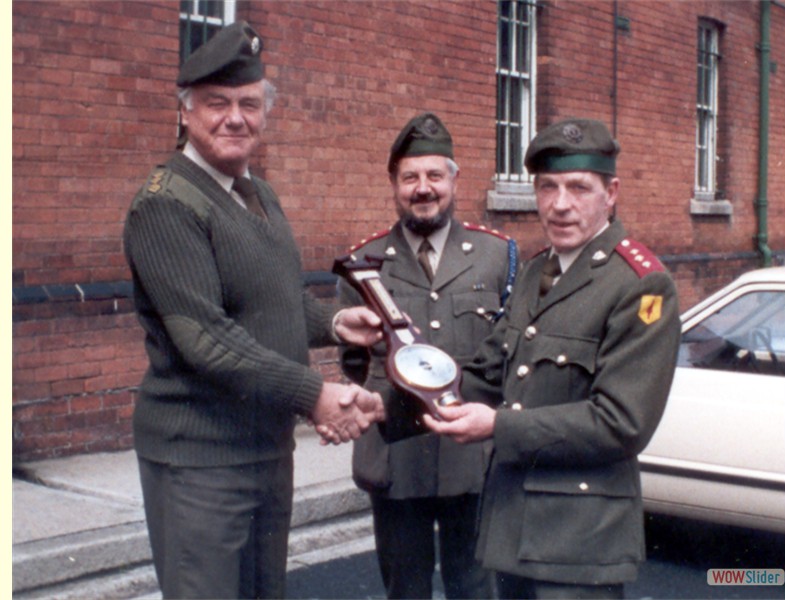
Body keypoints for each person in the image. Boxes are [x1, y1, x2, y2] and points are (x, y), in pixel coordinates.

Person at [123, 21, 384, 599]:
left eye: (248, 103)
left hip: (266, 448)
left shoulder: (257, 193)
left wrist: (337, 324)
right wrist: (314, 394)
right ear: (185, 113)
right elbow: (207, 338)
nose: (235, 118)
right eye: (217, 104)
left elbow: (277, 298)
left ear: (265, 112)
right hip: (200, 461)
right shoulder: (165, 205)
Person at [424, 118, 681, 599]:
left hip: (580, 543)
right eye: (547, 187)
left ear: (611, 193)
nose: (560, 205)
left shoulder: (640, 284)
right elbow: (489, 370)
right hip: (513, 530)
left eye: (578, 188)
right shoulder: (538, 270)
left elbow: (621, 421)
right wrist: (402, 395)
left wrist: (496, 426)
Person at [338, 112, 518, 599]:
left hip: (472, 457)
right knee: (404, 589)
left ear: (454, 179)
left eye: (435, 175)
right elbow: (351, 366)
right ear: (393, 184)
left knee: (475, 587)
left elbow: (508, 355)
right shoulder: (364, 264)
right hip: (396, 459)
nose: (423, 188)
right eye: (410, 177)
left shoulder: (496, 255)